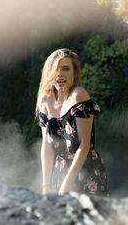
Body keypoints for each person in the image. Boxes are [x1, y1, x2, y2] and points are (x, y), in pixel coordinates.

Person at [36, 48, 109, 196]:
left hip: (86, 170)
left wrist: (68, 181)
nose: (60, 74)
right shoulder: (45, 100)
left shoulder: (79, 96)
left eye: (66, 69)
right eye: (55, 69)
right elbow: (47, 146)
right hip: (60, 171)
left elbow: (84, 143)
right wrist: (46, 186)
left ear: (75, 73)